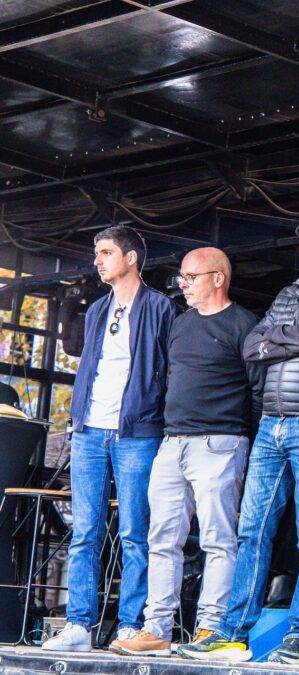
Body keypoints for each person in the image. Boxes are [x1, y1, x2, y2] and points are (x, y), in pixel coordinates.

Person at [178, 211, 299, 665]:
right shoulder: (287, 293)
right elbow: (252, 347)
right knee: (252, 529)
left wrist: (287, 338)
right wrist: (298, 336)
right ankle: (232, 633)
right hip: (271, 425)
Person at [110, 248, 259, 656]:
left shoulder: (244, 325)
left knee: (218, 539)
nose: (183, 284)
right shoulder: (180, 324)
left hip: (220, 442)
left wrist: (245, 437)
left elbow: (258, 391)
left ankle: (210, 629)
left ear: (217, 278)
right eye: (183, 277)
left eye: (191, 277)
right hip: (172, 443)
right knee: (161, 539)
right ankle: (157, 627)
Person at [43, 225, 175, 653]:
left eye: (105, 252)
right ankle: (78, 625)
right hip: (89, 432)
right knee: (85, 532)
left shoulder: (160, 307)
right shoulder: (98, 308)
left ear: (130, 258)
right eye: (96, 253)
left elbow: (169, 370)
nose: (96, 260)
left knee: (136, 532)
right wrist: (78, 418)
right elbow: (90, 367)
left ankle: (129, 626)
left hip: (137, 432)